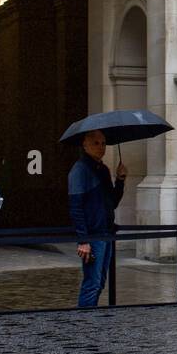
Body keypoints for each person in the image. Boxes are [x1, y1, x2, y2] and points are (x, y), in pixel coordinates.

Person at [69, 129, 127, 308]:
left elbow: (112, 202)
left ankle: (90, 322)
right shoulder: (80, 170)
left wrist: (120, 180)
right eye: (96, 143)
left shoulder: (102, 169)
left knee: (99, 282)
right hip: (94, 236)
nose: (101, 147)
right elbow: (75, 206)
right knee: (92, 284)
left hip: (106, 233)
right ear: (85, 145)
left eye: (103, 143)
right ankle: (85, 325)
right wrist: (83, 240)